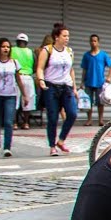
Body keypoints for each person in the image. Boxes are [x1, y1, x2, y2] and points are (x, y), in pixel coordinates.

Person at [35, 22, 79, 155]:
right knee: (53, 117)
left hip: (66, 86)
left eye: (68, 36)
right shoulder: (47, 50)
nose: (67, 38)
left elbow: (71, 70)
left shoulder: (69, 51)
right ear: (56, 37)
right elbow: (40, 68)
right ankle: (52, 146)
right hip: (51, 87)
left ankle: (61, 140)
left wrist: (74, 87)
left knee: (72, 113)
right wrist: (41, 81)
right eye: (64, 36)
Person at [80, 33, 111, 127]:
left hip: (100, 82)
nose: (93, 43)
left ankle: (100, 120)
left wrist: (109, 77)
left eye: (95, 41)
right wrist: (82, 82)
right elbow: (84, 70)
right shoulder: (86, 55)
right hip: (88, 82)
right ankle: (89, 120)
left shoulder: (103, 55)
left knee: (100, 102)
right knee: (88, 102)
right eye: (91, 41)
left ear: (98, 42)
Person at [12, 33, 36, 129]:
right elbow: (35, 66)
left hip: (16, 77)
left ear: (17, 42)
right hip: (28, 77)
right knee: (28, 101)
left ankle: (15, 123)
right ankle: (26, 123)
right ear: (27, 42)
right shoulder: (31, 52)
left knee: (15, 100)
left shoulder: (12, 50)